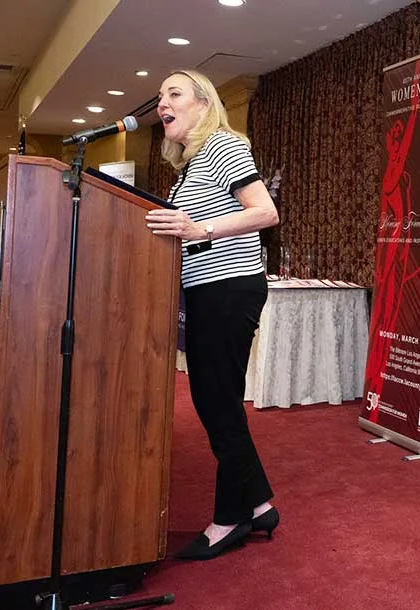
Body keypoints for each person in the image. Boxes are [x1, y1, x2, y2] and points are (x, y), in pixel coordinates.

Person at [145, 69, 281, 560]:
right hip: (207, 292)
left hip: (229, 289)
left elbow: (265, 212)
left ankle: (231, 518)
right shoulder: (192, 163)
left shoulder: (224, 145)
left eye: (174, 93)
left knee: (218, 405)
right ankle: (259, 504)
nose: (163, 103)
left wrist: (199, 230)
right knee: (214, 402)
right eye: (161, 95)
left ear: (203, 104)